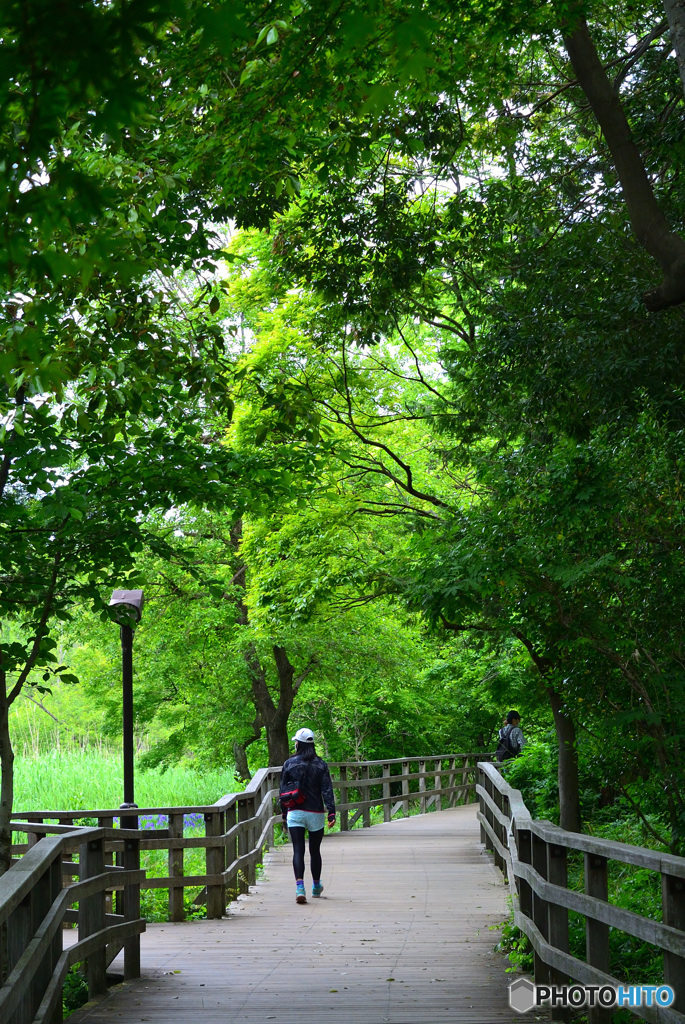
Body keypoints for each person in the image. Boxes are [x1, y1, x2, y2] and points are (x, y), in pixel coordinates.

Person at [279, 727, 336, 904]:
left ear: (299, 744)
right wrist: (331, 811)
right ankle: (316, 887)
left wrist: (283, 811)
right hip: (315, 812)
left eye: (296, 741)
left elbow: (283, 790)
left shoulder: (289, 764)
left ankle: (299, 887)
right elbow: (327, 789)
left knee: (298, 850)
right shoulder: (321, 764)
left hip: (295, 811)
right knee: (314, 851)